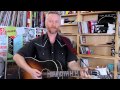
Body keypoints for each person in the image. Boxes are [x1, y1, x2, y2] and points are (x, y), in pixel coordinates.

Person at [13, 11, 90, 79]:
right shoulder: (36, 42)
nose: (53, 24)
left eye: (56, 21)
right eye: (50, 21)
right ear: (45, 22)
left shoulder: (66, 42)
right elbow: (17, 57)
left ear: (60, 24)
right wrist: (30, 71)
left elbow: (72, 63)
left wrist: (80, 71)